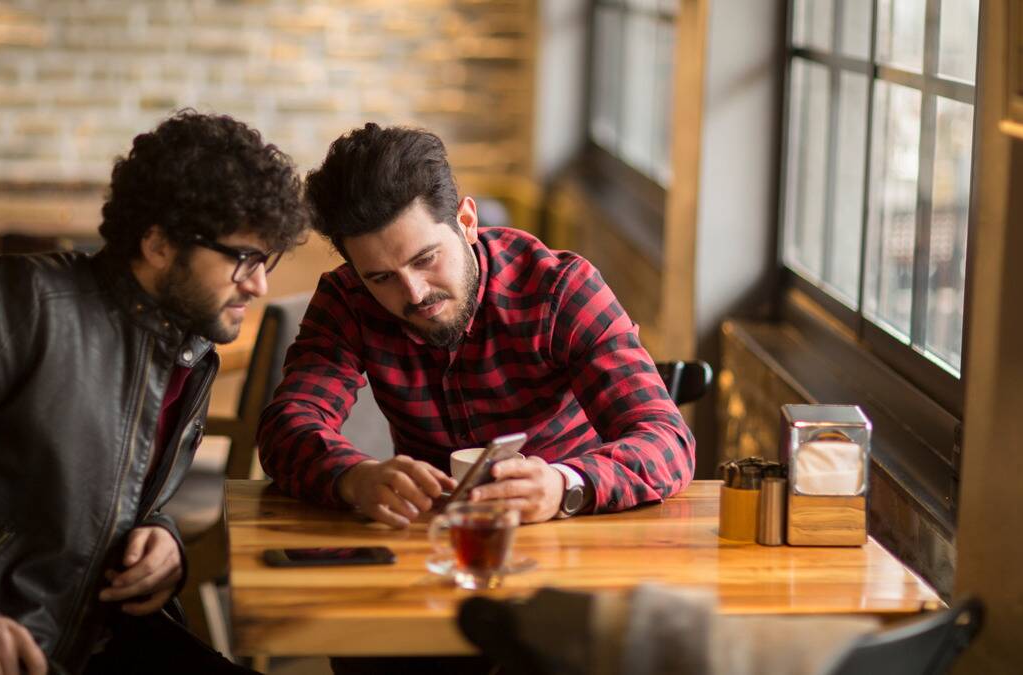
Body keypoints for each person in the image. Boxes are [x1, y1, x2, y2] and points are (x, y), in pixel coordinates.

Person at [0, 111, 308, 675]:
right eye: (243, 258)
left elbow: (120, 495)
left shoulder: (190, 352)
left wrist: (164, 539)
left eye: (266, 259)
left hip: (94, 635)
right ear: (159, 244)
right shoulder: (22, 300)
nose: (260, 283)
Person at [258, 122, 695, 530]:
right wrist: (354, 477)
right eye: (381, 277)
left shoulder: (560, 290)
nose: (413, 293)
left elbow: (668, 442)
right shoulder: (347, 299)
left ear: (467, 222)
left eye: (425, 259)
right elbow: (287, 428)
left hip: (571, 529)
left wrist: (565, 485)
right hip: (434, 539)